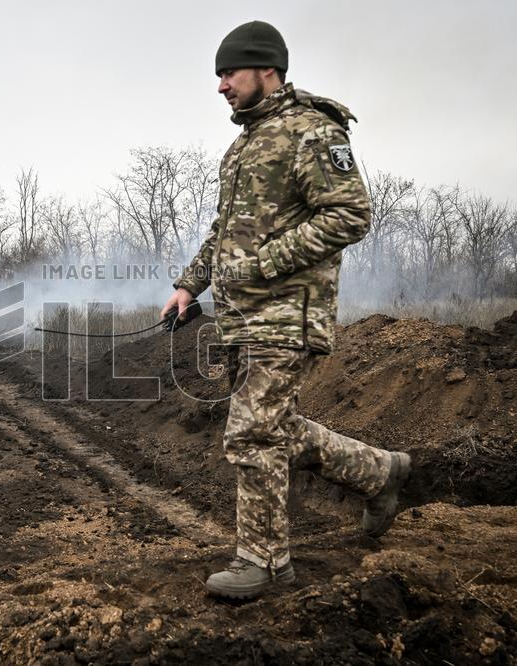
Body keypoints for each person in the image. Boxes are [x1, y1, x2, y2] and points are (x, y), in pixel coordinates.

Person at [161, 20, 411, 600]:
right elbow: (226, 231)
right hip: (244, 317)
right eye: (218, 75)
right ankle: (379, 473)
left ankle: (266, 563)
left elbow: (350, 214)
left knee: (251, 435)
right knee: (274, 429)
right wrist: (189, 285)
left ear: (265, 69)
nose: (221, 85)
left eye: (229, 73)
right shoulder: (245, 143)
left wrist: (265, 263)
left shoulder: (311, 132)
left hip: (287, 314)